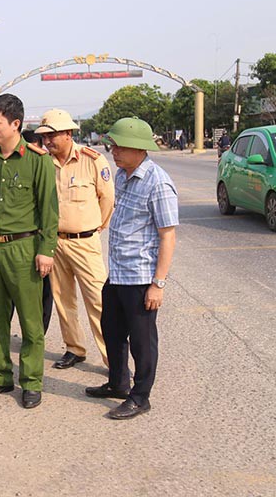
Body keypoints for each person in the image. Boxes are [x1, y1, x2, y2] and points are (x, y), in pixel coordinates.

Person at [0, 93, 59, 409]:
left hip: (24, 248)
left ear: (15, 123)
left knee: (31, 320)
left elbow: (49, 210)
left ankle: (31, 381)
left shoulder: (38, 160)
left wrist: (46, 250)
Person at [86, 117, 178, 420]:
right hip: (118, 273)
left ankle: (140, 397)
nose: (113, 151)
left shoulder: (158, 182)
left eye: (120, 147)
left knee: (142, 341)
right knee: (111, 331)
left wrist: (158, 284)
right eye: (113, 146)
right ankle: (118, 383)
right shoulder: (123, 175)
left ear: (139, 148)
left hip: (140, 278)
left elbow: (167, 236)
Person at [35, 108, 113, 369]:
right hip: (53, 243)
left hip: (85, 242)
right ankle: (74, 348)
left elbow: (107, 199)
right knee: (62, 299)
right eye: (44, 137)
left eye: (52, 136)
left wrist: (94, 228)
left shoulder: (92, 160)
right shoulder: (43, 163)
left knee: (98, 300)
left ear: (68, 134)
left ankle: (112, 359)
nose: (47, 141)